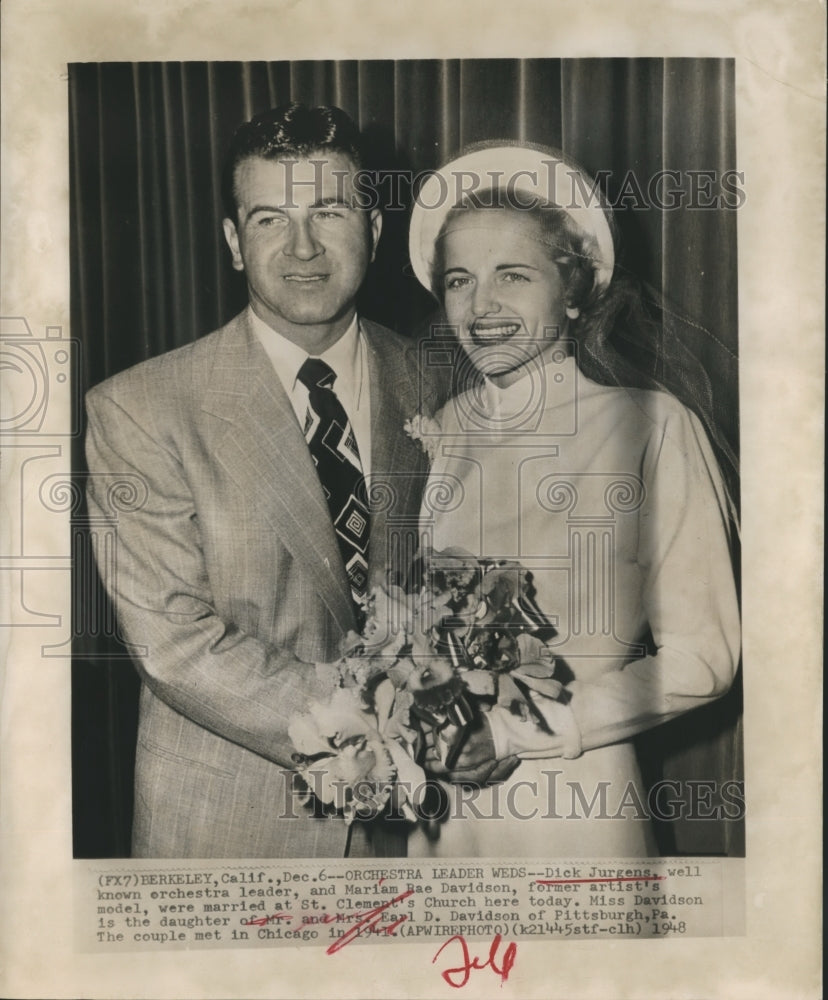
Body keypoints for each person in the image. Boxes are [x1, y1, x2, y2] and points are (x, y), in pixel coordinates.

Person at [84, 103, 433, 858]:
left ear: (374, 232)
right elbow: (176, 642)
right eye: (271, 219)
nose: (302, 247)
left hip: (423, 834)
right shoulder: (142, 409)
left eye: (329, 211)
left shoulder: (437, 383)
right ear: (234, 243)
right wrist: (385, 723)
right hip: (231, 828)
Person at [405, 143, 741, 857]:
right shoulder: (449, 428)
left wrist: (520, 731)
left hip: (575, 809)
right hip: (446, 824)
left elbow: (704, 657)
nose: (482, 305)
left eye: (513, 275)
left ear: (576, 289)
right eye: (459, 279)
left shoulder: (650, 425)